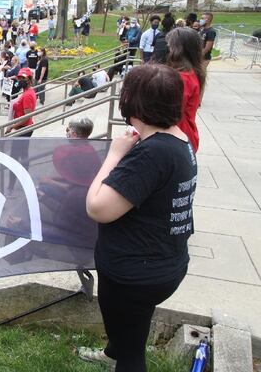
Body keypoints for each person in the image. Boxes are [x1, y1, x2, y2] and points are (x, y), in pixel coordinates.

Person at [82, 63, 196, 372]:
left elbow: (98, 207)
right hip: (162, 264)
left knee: (133, 355)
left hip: (135, 273)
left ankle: (120, 355)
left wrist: (115, 155)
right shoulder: (178, 140)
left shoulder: (152, 154)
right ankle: (111, 352)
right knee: (131, 325)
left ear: (132, 102)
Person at [166, 27, 205, 152]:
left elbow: (170, 111)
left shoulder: (183, 78)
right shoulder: (192, 73)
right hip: (182, 135)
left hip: (176, 137)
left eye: (169, 46)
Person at [5, 68, 36, 195]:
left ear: (29, 79)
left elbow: (27, 116)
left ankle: (11, 187)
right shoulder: (26, 91)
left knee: (15, 157)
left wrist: (12, 126)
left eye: (23, 78)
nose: (20, 80)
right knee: (23, 156)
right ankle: (24, 181)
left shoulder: (28, 94)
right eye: (19, 78)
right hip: (24, 128)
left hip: (23, 129)